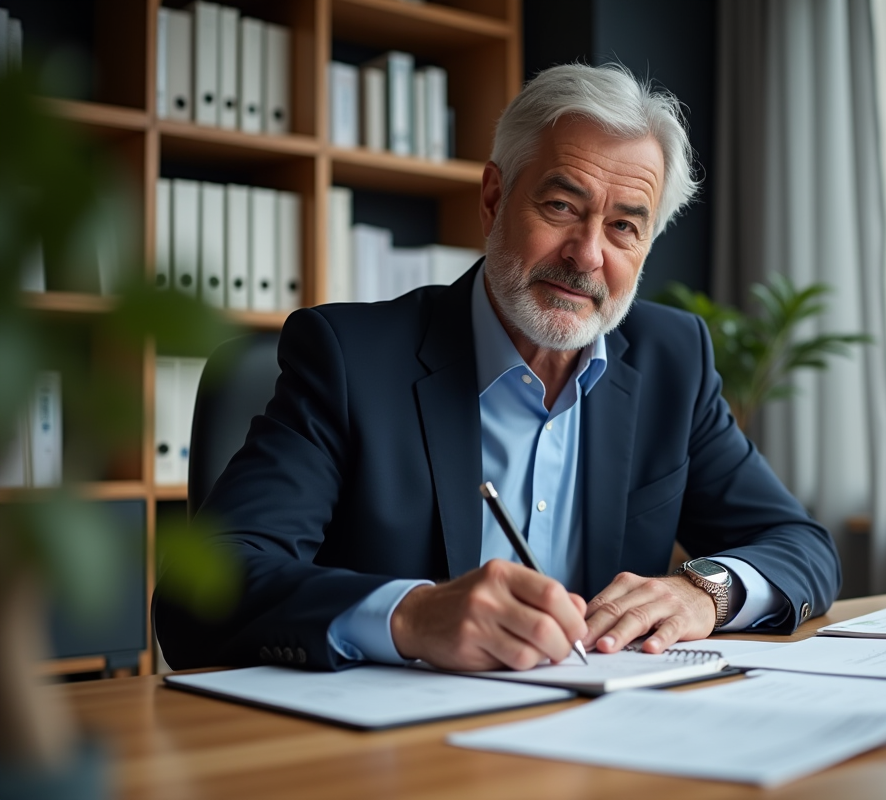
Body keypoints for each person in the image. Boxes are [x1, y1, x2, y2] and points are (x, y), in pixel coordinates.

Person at [155, 63, 841, 673]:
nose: (587, 254)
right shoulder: (349, 357)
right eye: (562, 205)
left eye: (625, 226)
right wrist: (411, 616)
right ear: (493, 199)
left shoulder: (672, 360)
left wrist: (706, 591)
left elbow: (801, 545)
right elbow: (200, 594)